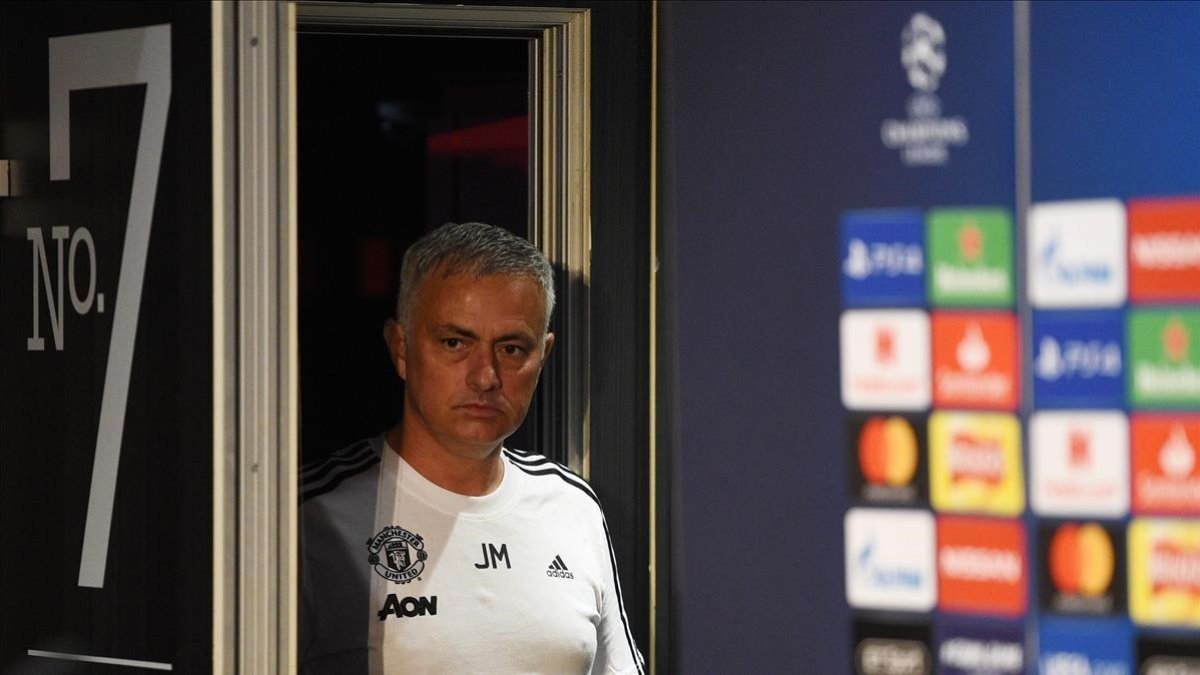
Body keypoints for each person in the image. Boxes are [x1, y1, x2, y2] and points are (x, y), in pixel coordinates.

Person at [299, 222, 645, 674]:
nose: (486, 376)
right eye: (455, 342)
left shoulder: (571, 507)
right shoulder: (312, 516)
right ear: (401, 348)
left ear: (544, 355)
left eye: (512, 349)